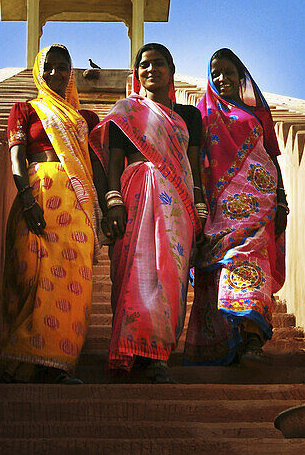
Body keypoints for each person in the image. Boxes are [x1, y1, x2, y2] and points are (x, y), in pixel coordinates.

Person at [89, 43, 205, 383]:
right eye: (144, 65)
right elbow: (113, 162)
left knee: (168, 275)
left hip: (177, 203)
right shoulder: (126, 111)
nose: (150, 70)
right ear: (136, 74)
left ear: (171, 70)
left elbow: (194, 166)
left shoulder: (189, 116)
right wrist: (112, 201)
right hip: (136, 192)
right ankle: (130, 350)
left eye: (158, 64)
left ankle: (157, 357)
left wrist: (199, 208)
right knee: (134, 271)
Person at [0, 44, 99, 384]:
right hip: (39, 194)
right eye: (49, 68)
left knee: (73, 278)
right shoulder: (26, 109)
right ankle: (21, 359)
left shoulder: (86, 119)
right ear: (38, 74)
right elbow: (16, 157)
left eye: (63, 67)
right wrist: (26, 199)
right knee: (31, 271)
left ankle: (56, 363)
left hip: (77, 205)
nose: (56, 74)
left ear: (71, 73)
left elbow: (95, 168)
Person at [184, 48, 287, 366]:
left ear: (241, 77)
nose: (222, 78)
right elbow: (191, 159)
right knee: (223, 263)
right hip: (218, 207)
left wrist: (282, 199)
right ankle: (228, 337)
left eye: (229, 72)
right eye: (215, 72)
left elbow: (271, 155)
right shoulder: (200, 114)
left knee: (251, 259)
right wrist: (197, 201)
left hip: (259, 201)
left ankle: (252, 339)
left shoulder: (255, 115)